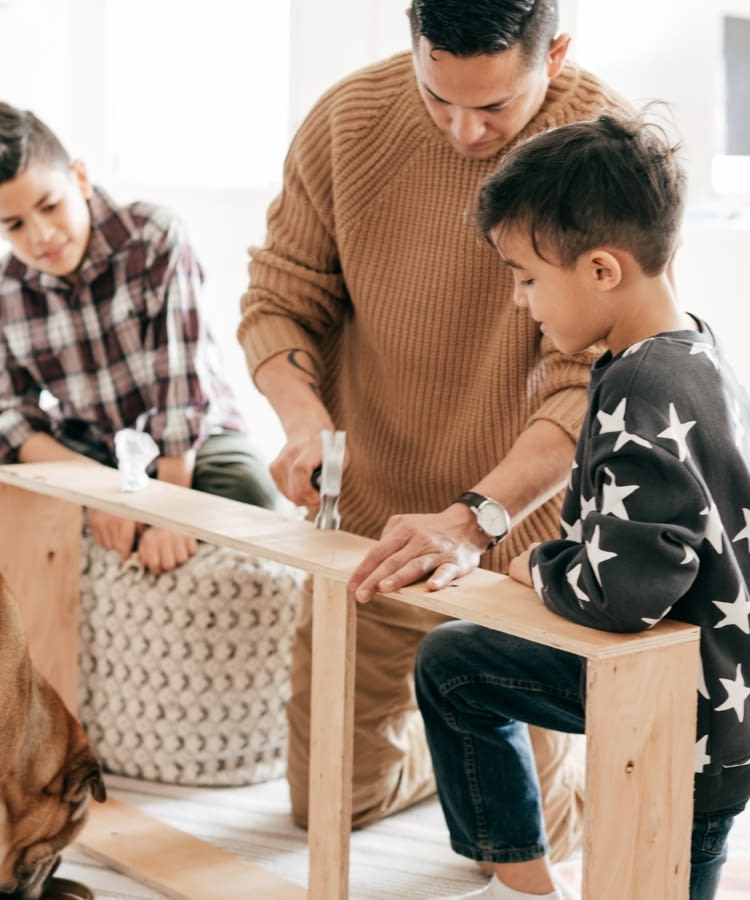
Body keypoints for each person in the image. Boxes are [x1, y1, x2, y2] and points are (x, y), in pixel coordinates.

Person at [237, 0, 628, 857]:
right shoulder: (348, 121)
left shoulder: (601, 152)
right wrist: (303, 421)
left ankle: (503, 754)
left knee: (541, 838)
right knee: (327, 806)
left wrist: (472, 520)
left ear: (555, 55)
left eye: (494, 106)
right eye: (436, 97)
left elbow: (592, 385)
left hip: (517, 548)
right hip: (371, 535)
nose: (464, 131)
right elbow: (279, 297)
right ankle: (441, 742)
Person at [416, 114, 750, 900]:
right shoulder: (699, 354)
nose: (521, 302)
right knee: (456, 662)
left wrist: (540, 564)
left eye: (527, 279)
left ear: (600, 269)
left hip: (684, 710)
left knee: (454, 670)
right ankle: (525, 884)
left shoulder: (641, 386)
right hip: (735, 690)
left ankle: (521, 885)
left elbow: (623, 594)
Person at [0, 102, 277, 571]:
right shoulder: (2, 289)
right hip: (86, 450)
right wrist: (97, 491)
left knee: (250, 489)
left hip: (190, 444)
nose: (41, 235)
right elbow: (9, 415)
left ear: (80, 178)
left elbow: (180, 392)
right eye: (15, 225)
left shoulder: (154, 238)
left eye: (50, 206)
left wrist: (169, 512)